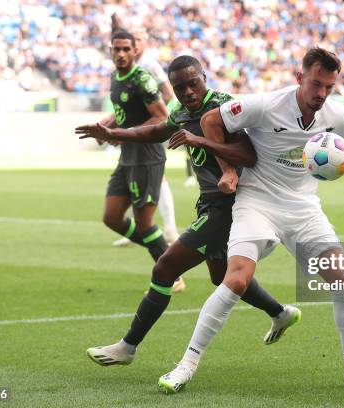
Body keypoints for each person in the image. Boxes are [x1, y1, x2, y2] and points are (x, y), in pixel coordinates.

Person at [158, 47, 344, 393]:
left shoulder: (335, 114)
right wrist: (229, 170)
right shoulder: (265, 104)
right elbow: (212, 120)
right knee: (237, 280)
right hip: (256, 202)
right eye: (316, 84)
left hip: (303, 209)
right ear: (300, 77)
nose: (321, 94)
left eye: (328, 87)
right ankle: (184, 366)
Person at [75, 55, 300, 367]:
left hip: (231, 206)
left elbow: (247, 154)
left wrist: (210, 151)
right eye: (180, 88)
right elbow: (155, 131)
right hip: (210, 203)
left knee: (164, 269)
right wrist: (113, 134)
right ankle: (280, 312)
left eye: (193, 83)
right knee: (221, 276)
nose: (188, 92)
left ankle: (127, 346)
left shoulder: (223, 109)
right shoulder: (181, 112)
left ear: (204, 78)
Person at [87, 29, 171, 272]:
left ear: (135, 51)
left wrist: (120, 134)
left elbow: (161, 117)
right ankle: (164, 255)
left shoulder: (142, 79)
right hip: (128, 156)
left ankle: (170, 273)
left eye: (126, 49)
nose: (121, 54)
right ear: (110, 51)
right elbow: (122, 112)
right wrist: (104, 126)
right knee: (111, 217)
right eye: (117, 49)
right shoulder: (116, 77)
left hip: (147, 157)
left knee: (145, 225)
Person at [110, 14, 180, 250]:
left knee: (159, 181)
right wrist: (109, 126)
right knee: (120, 211)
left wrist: (149, 126)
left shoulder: (147, 66)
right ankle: (146, 232)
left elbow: (167, 96)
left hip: (148, 137)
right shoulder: (123, 69)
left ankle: (169, 229)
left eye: (138, 40)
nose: (135, 45)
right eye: (133, 39)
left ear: (142, 44)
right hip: (130, 141)